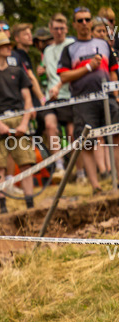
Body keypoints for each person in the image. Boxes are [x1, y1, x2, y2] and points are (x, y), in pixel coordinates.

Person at [59, 6, 119, 193]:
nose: (84, 23)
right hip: (82, 100)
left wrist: (116, 96)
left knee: (116, 137)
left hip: (107, 97)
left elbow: (113, 70)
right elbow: (64, 77)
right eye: (80, 20)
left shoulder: (104, 45)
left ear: (91, 22)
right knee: (87, 143)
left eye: (87, 19)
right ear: (74, 24)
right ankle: (96, 186)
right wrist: (87, 68)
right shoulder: (69, 49)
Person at [0, 32, 37, 212]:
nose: (9, 47)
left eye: (9, 44)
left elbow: (27, 99)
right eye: (4, 45)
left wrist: (25, 122)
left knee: (26, 161)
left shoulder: (17, 72)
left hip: (19, 117)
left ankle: (30, 204)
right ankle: (3, 206)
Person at [44, 14, 76, 178]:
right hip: (51, 97)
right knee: (50, 127)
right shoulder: (47, 50)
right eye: (55, 28)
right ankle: (59, 166)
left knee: (72, 133)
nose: (59, 31)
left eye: (62, 28)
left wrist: (58, 86)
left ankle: (79, 170)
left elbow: (71, 71)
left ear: (67, 29)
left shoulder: (72, 44)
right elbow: (48, 72)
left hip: (69, 94)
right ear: (50, 29)